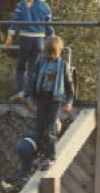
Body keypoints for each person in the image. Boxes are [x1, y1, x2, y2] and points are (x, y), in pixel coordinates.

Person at [26, 36, 74, 171]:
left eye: (55, 53)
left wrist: (69, 101)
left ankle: (51, 156)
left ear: (59, 51)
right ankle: (40, 155)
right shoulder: (41, 64)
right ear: (46, 51)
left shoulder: (63, 66)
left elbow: (69, 85)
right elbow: (32, 81)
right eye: (50, 53)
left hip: (55, 99)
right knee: (39, 127)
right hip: (41, 97)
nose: (52, 55)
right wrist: (29, 97)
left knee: (50, 128)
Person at [5, 0, 54, 101]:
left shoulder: (22, 4)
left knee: (20, 66)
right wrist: (53, 38)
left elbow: (16, 21)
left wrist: (10, 36)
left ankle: (19, 91)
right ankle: (29, 94)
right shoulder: (45, 7)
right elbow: (48, 26)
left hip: (25, 38)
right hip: (39, 40)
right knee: (33, 68)